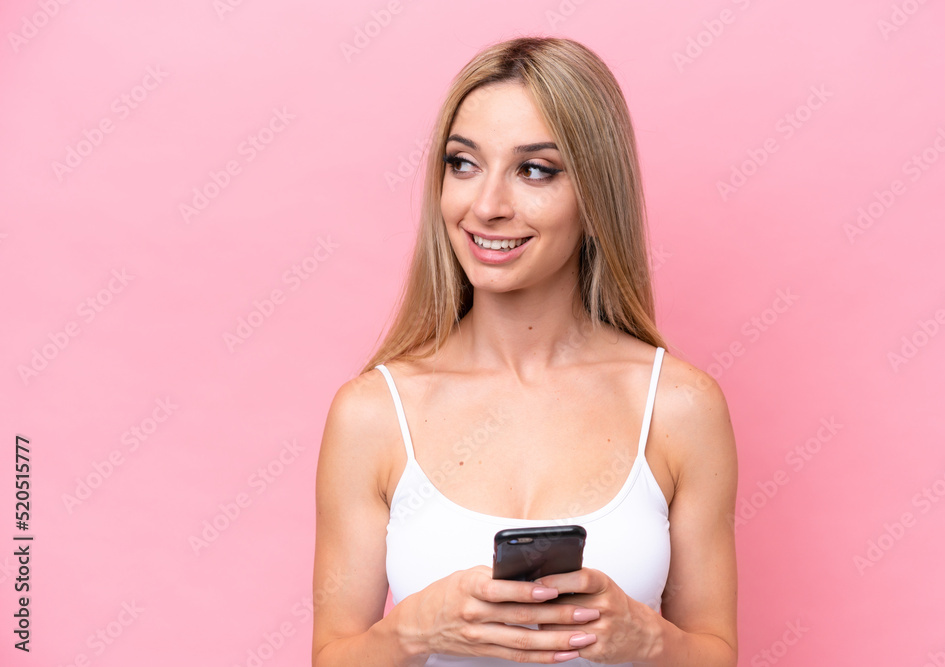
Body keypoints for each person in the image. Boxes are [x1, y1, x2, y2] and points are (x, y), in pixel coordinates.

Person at [311, 37, 738, 666]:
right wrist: (412, 632)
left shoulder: (678, 406)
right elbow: (332, 656)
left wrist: (651, 642)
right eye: (463, 164)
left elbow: (715, 654)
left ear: (596, 196)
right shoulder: (372, 413)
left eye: (535, 169)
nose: (486, 207)